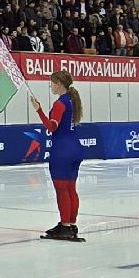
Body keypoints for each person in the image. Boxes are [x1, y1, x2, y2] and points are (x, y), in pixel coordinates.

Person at [32, 71, 86, 240]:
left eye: (52, 83)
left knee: (62, 190)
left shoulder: (60, 104)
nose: (50, 86)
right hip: (75, 148)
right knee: (71, 189)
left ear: (59, 84)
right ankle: (70, 224)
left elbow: (51, 127)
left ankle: (65, 225)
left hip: (62, 151)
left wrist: (38, 110)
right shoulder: (72, 100)